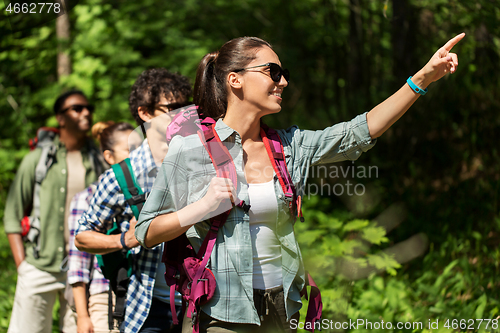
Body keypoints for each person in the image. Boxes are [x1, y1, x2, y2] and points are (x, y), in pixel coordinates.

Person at [134, 34, 465, 333]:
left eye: (285, 73)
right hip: (224, 314)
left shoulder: (289, 147)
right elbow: (146, 233)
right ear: (235, 80)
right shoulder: (191, 148)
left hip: (285, 306)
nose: (284, 82)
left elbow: (358, 132)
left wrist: (422, 79)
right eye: (273, 72)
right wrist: (201, 209)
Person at [75, 68, 192, 333]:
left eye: (186, 106)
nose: (181, 115)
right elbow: (82, 237)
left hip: (200, 303)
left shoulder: (201, 163)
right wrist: (123, 240)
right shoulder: (122, 176)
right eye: (172, 107)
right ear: (145, 113)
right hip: (149, 311)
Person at [4, 90, 106, 333]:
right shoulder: (37, 160)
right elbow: (12, 216)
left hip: (82, 271)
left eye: (88, 107)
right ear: (60, 118)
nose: (86, 112)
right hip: (39, 266)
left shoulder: (98, 161)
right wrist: (22, 267)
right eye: (77, 108)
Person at [68, 121, 142, 333]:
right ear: (109, 157)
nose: (138, 156)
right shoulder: (85, 199)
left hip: (139, 294)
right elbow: (78, 263)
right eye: (131, 150)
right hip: (105, 298)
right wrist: (83, 316)